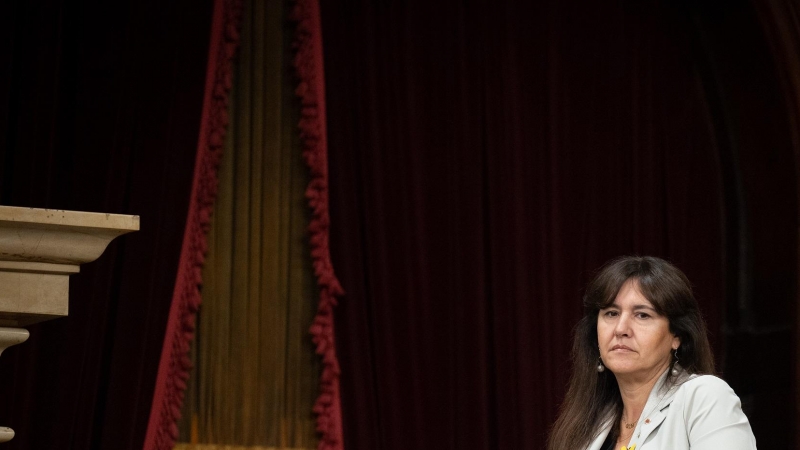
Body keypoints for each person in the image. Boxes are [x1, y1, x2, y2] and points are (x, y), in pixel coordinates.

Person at [547, 256, 756, 450]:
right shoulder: (588, 425)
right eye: (611, 313)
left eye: (642, 315)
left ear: (677, 336)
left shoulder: (705, 397)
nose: (621, 329)